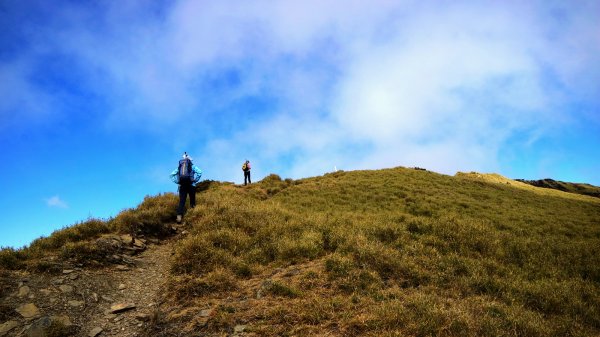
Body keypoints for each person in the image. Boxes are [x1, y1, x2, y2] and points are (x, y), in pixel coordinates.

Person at [170, 152, 202, 223]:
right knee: (192, 201)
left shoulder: (179, 167)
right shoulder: (193, 166)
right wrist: (195, 180)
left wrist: (177, 182)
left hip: (182, 185)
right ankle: (193, 216)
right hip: (191, 185)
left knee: (182, 201)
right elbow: (200, 172)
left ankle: (179, 216)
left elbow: (171, 175)